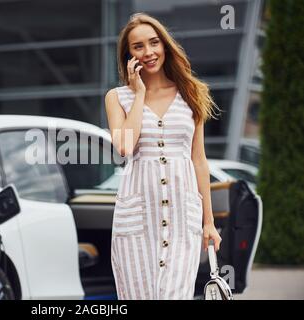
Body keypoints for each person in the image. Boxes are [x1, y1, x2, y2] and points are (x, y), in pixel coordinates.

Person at [104, 12, 222, 300]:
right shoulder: (117, 97)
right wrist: (139, 93)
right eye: (138, 46)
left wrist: (208, 221)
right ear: (128, 54)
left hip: (183, 216)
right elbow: (124, 147)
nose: (148, 52)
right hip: (136, 221)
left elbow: (198, 160)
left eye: (154, 42)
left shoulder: (192, 92)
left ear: (165, 45)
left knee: (174, 294)